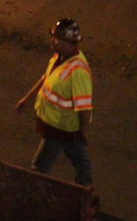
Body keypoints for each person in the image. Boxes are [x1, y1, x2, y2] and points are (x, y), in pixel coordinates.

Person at [15, 18, 93, 186]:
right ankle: (83, 194)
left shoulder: (78, 71)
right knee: (83, 165)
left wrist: (83, 131)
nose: (53, 41)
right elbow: (46, 78)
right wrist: (26, 98)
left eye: (57, 38)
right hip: (62, 127)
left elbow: (84, 108)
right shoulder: (59, 57)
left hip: (59, 128)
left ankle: (35, 195)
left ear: (68, 42)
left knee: (40, 167)